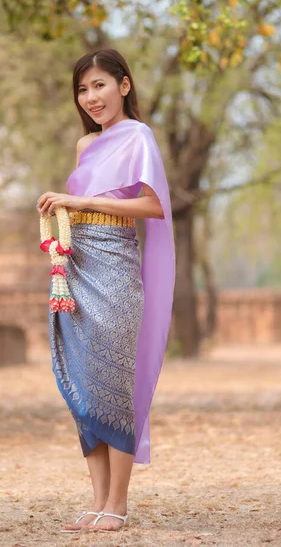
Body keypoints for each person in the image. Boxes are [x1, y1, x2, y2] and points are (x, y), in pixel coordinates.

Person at [36, 48, 175, 533]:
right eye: (83, 89)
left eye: (100, 85)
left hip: (116, 271)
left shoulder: (139, 137)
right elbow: (80, 206)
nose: (91, 97)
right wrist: (60, 218)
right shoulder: (83, 145)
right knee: (82, 381)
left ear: (124, 85)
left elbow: (154, 206)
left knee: (114, 385)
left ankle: (118, 503)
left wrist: (80, 199)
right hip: (75, 266)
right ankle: (97, 501)